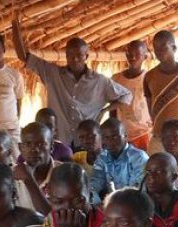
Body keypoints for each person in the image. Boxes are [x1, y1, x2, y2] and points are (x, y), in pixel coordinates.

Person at [11, 18, 131, 147]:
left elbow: (127, 96)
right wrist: (14, 26)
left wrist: (104, 110)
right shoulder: (52, 74)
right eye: (70, 55)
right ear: (66, 56)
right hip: (60, 141)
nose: (75, 59)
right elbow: (23, 56)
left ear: (86, 56)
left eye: (79, 55)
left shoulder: (100, 81)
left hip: (87, 143)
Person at [90, 117, 149, 203]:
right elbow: (94, 184)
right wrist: (98, 204)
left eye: (115, 136)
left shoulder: (138, 157)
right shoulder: (102, 158)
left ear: (125, 136)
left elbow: (139, 191)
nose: (110, 141)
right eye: (106, 137)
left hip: (135, 206)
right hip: (111, 207)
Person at [111, 40, 154, 150]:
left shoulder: (150, 78)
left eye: (137, 55)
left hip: (143, 133)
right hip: (122, 134)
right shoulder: (116, 79)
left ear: (145, 57)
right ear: (126, 55)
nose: (133, 58)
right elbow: (113, 109)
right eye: (130, 54)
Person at [14, 122, 61, 214]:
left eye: (41, 144)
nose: (34, 149)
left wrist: (29, 180)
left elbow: (53, 219)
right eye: (28, 144)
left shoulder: (64, 174)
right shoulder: (12, 176)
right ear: (20, 148)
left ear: (51, 147)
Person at [0, 33, 24, 142]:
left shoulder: (15, 75)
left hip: (11, 129)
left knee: (15, 158)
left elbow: (19, 100)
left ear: (4, 50)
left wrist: (13, 122)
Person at [142, 153, 178, 227]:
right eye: (148, 172)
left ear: (174, 177)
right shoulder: (143, 202)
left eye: (159, 172)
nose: (152, 177)